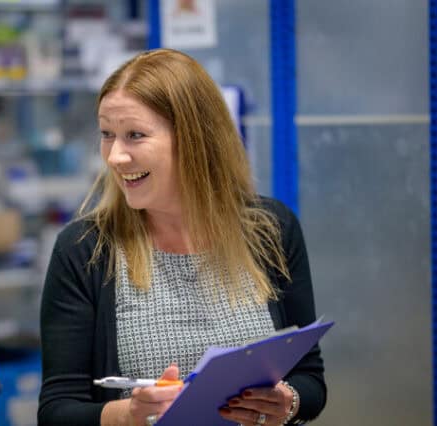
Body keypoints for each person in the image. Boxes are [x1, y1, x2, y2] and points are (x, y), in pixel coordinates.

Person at [38, 48, 326, 426]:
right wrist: (129, 415)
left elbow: (310, 379)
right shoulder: (86, 249)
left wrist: (286, 402)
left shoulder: (271, 230)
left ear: (195, 139)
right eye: (108, 135)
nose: (115, 157)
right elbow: (58, 410)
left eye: (135, 135)